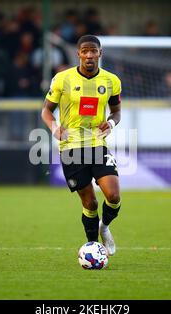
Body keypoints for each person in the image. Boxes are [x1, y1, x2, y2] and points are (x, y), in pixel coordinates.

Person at [41, 35, 122, 256]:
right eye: (84, 51)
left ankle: (104, 227)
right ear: (78, 54)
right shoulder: (62, 79)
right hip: (71, 148)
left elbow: (116, 112)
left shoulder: (111, 81)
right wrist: (55, 128)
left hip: (97, 144)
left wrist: (112, 123)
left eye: (93, 51)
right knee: (90, 202)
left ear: (100, 53)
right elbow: (46, 111)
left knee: (113, 197)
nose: (89, 55)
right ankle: (93, 247)